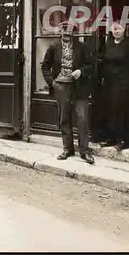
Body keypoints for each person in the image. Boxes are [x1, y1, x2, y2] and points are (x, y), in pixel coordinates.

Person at [41, 21, 95, 164]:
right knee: (64, 117)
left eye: (70, 31)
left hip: (79, 87)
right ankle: (67, 149)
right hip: (61, 87)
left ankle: (84, 151)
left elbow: (91, 65)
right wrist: (52, 83)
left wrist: (81, 71)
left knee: (82, 118)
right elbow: (45, 66)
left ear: (74, 33)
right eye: (64, 30)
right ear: (60, 31)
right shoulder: (54, 47)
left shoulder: (82, 47)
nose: (67, 33)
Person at [101, 21, 129, 151]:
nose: (116, 31)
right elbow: (104, 61)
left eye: (119, 29)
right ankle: (111, 137)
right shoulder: (108, 44)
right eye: (114, 29)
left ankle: (125, 140)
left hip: (125, 84)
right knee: (111, 110)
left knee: (124, 111)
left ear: (124, 30)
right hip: (110, 83)